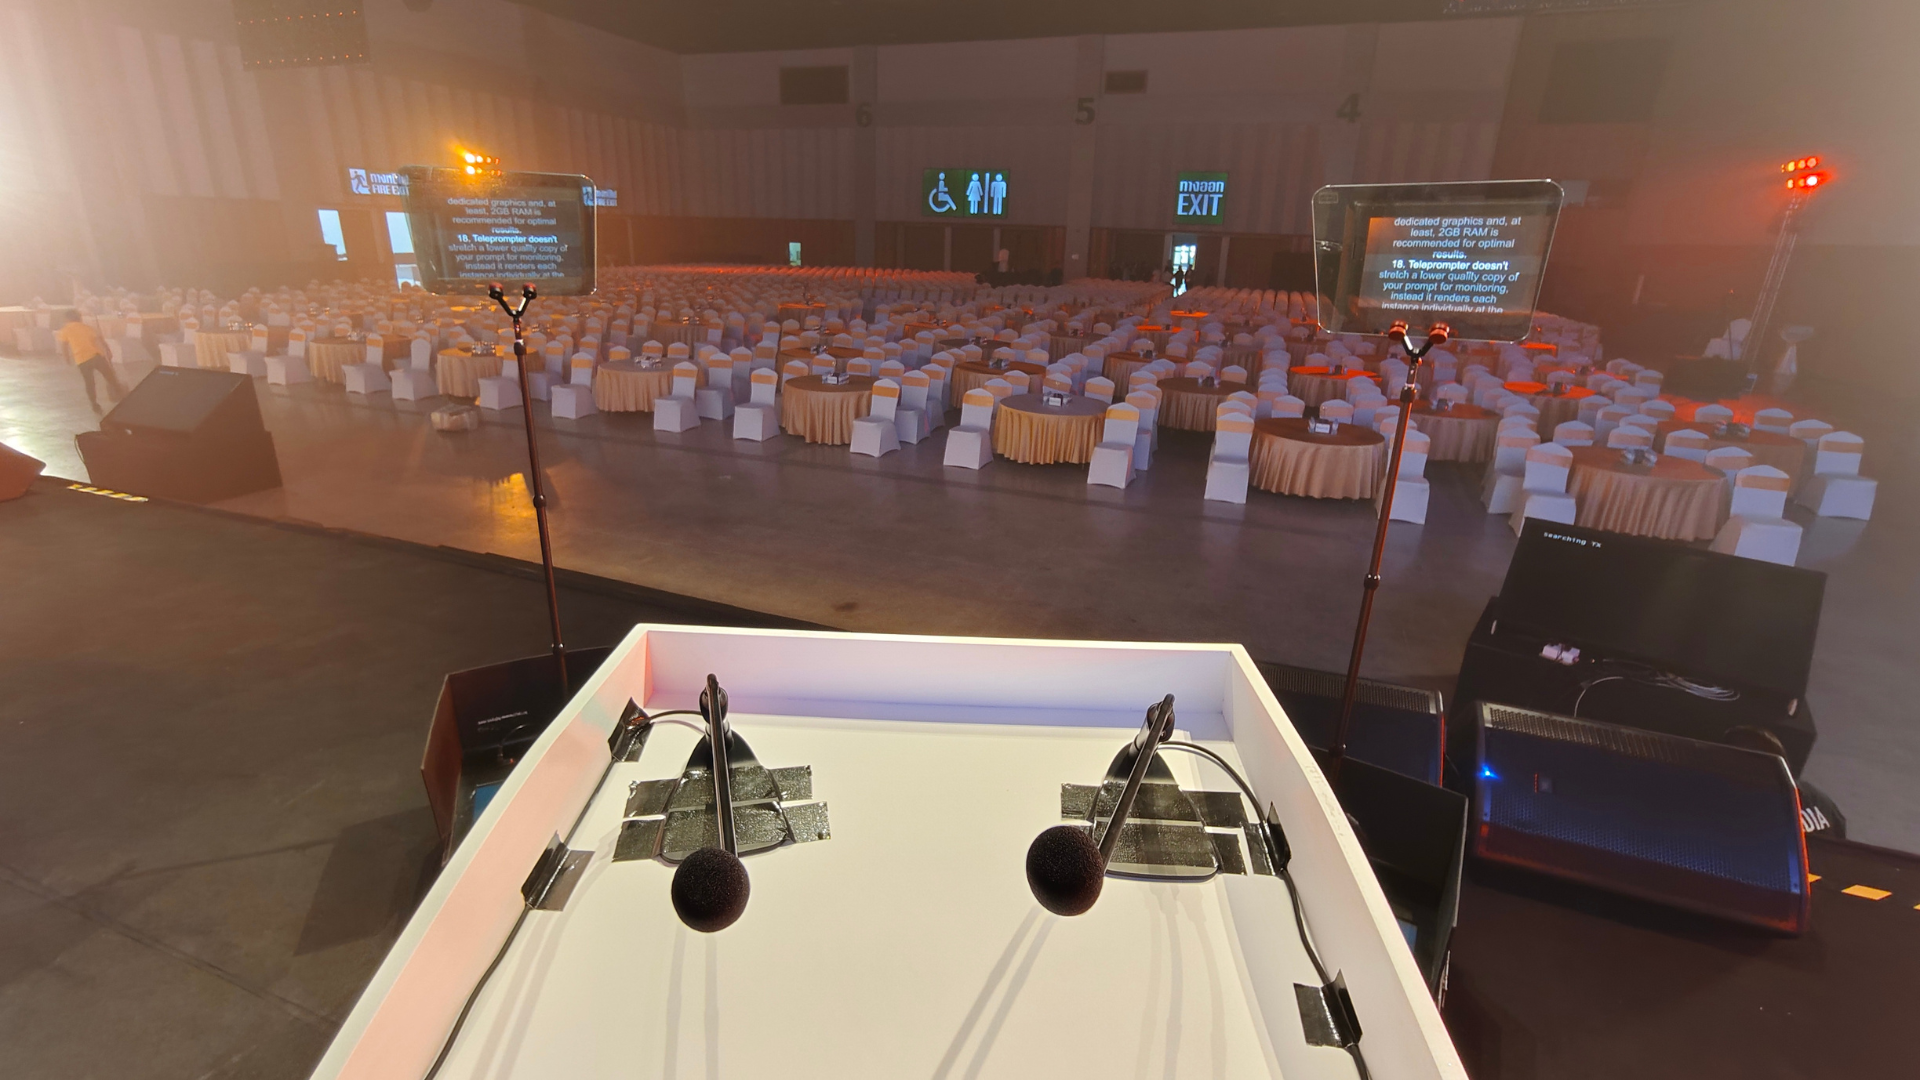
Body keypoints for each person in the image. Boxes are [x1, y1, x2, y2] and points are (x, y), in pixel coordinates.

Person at [56, 311, 126, 414]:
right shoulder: (87, 328)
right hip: (96, 356)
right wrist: (108, 350)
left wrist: (66, 358)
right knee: (110, 376)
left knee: (89, 383)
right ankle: (120, 394)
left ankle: (94, 405)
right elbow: (100, 339)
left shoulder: (65, 330)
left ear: (67, 319)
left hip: (81, 359)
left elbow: (64, 346)